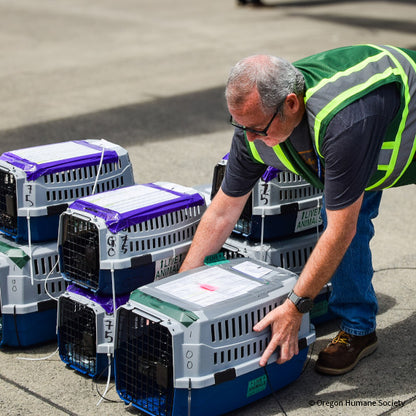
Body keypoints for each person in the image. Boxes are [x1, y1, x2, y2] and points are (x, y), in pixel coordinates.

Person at [179, 45, 416, 375]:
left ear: (291, 104)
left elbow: (339, 231)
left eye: (258, 129)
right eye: (240, 125)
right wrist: (184, 279)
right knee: (342, 212)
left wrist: (296, 306)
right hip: (360, 138)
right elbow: (222, 211)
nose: (249, 138)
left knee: (342, 222)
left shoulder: (344, 121)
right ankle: (359, 329)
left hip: (392, 111)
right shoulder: (255, 124)